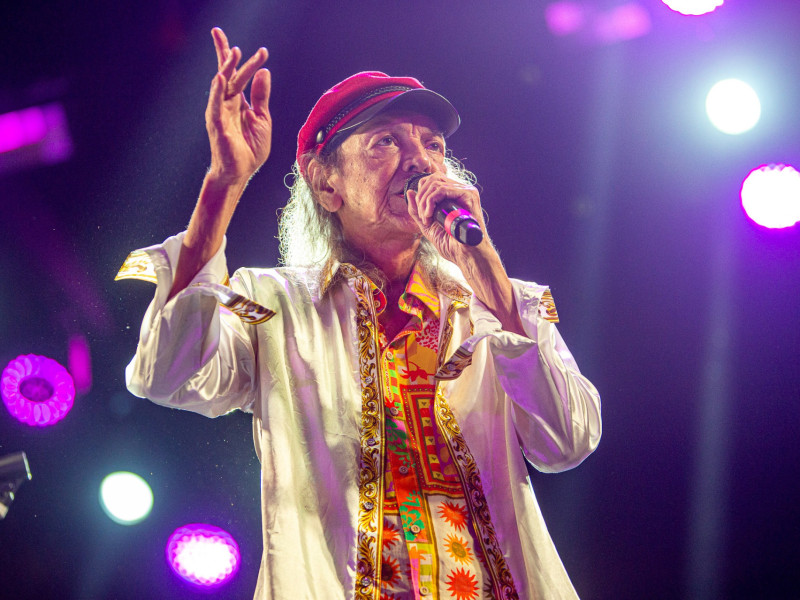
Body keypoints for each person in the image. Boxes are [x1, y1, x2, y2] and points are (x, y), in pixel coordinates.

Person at [118, 27, 601, 600]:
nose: (420, 161)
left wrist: (488, 275)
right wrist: (223, 183)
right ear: (326, 184)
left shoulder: (503, 308)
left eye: (433, 146)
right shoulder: (273, 305)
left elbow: (567, 442)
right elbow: (165, 375)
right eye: (385, 142)